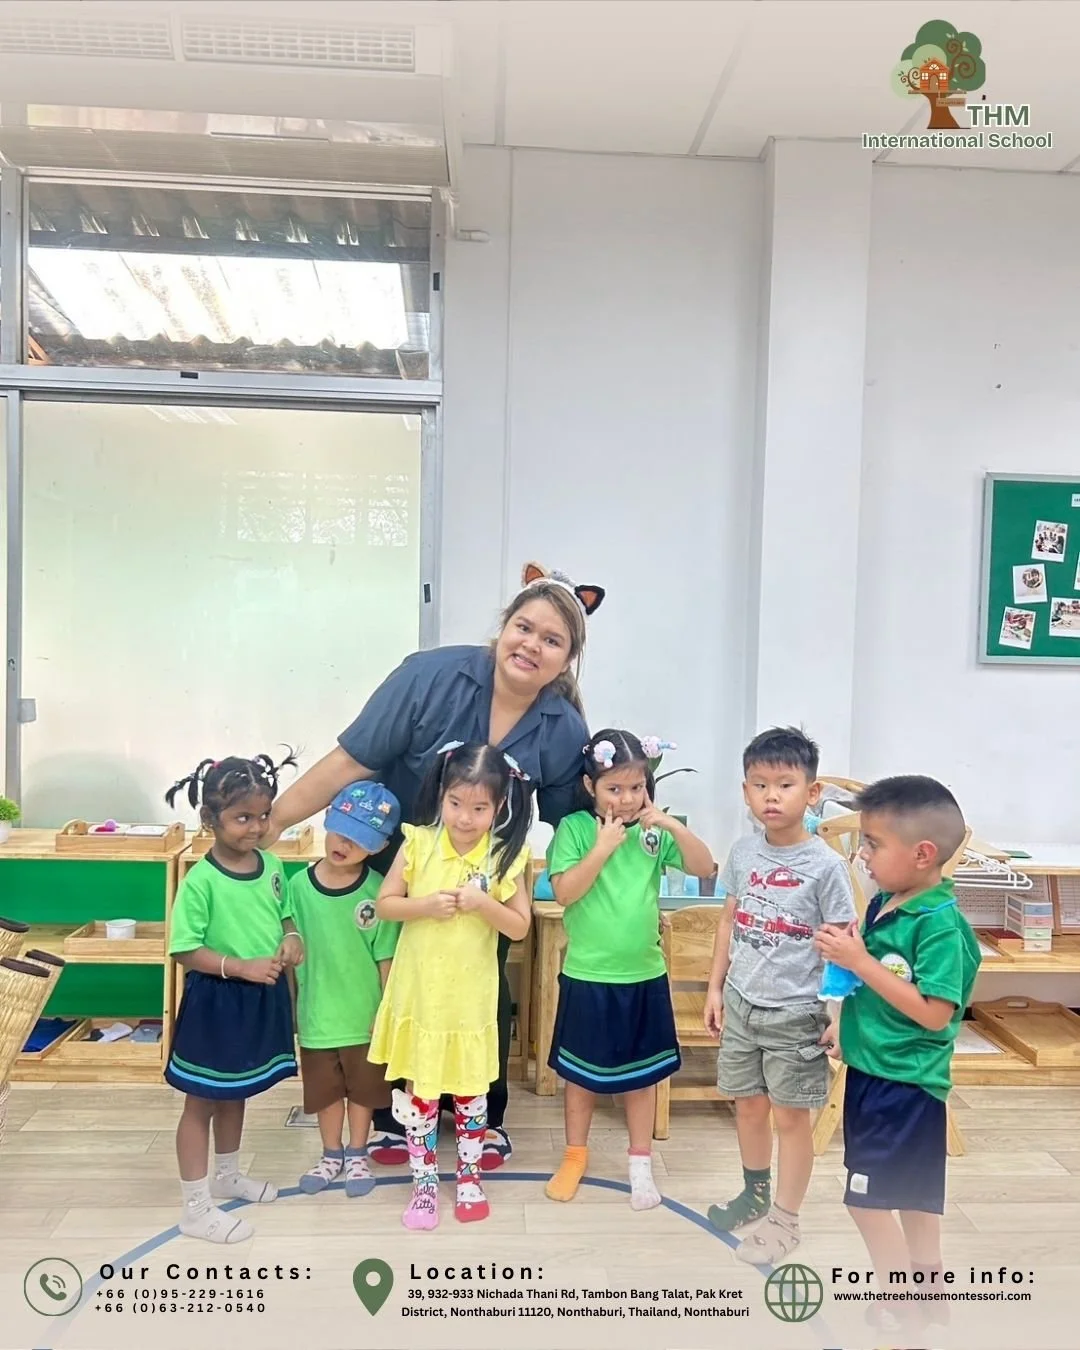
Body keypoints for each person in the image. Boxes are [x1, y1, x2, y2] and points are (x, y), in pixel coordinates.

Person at [268, 562, 603, 1168]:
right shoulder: (427, 677)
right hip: (410, 864)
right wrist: (271, 823)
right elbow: (348, 762)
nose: (532, 645)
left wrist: (626, 831)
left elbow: (575, 816)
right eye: (524, 627)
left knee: (482, 988)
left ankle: (484, 1113)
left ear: (566, 660)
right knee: (403, 980)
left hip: (491, 877)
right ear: (503, 627)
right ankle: (403, 1111)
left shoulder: (562, 727)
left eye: (552, 640)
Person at [814, 776, 980, 1339]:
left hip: (905, 1086)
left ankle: (900, 1296)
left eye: (873, 844)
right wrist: (844, 1025)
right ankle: (930, 1292)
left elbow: (935, 1014)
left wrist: (861, 963)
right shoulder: (888, 902)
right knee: (910, 1192)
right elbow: (873, 991)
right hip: (875, 1072)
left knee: (866, 1200)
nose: (863, 854)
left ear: (922, 854)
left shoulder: (939, 926)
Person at [703, 727, 856, 1264]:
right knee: (748, 1106)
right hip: (742, 1002)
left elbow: (844, 947)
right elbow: (728, 922)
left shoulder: (827, 867)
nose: (772, 795)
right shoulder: (743, 852)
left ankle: (786, 1220)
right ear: (745, 792)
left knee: (791, 1118)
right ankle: (755, 1193)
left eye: (786, 784)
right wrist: (716, 986)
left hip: (797, 1013)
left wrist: (838, 1013)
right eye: (760, 784)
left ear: (811, 794)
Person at [544, 730, 714, 1211]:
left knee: (642, 1077)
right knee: (579, 1076)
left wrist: (673, 827)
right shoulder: (576, 829)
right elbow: (564, 893)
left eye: (636, 788)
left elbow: (704, 867)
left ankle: (640, 1162)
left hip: (643, 974)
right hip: (588, 975)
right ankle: (575, 1154)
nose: (626, 799)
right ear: (589, 785)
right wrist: (601, 847)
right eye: (613, 789)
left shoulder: (653, 831)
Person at [369, 742, 533, 1229]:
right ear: (442, 795)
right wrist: (423, 906)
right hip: (420, 996)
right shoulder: (418, 843)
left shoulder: (506, 855)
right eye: (456, 804)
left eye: (480, 807)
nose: (465, 818)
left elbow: (520, 927)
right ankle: (423, 1185)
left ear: (499, 806)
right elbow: (384, 904)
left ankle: (468, 1177)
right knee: (419, 1090)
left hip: (470, 1002)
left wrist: (484, 905)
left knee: (470, 1092)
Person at [163, 752, 301, 1244]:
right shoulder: (201, 880)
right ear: (210, 820)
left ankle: (226, 1174)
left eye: (263, 816)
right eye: (243, 818)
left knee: (235, 1090)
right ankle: (195, 1207)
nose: (256, 828)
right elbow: (184, 949)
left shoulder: (274, 865)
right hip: (217, 1001)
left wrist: (292, 939)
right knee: (200, 1102)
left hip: (259, 997)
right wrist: (238, 966)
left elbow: (284, 914)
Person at [291, 781, 402, 1199]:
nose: (344, 844)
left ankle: (358, 1151)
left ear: (379, 847)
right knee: (325, 1093)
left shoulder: (379, 894)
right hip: (318, 1017)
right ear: (327, 820)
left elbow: (386, 958)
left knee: (364, 1091)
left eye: (359, 840)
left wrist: (385, 1011)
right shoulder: (297, 888)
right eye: (341, 832)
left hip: (364, 1018)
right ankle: (330, 1153)